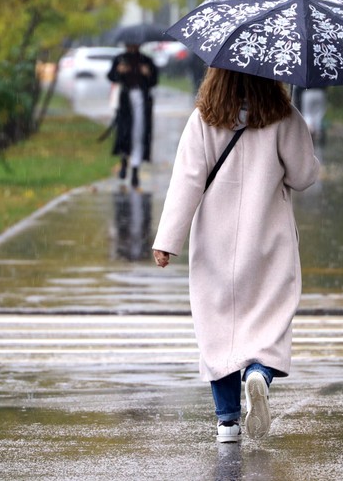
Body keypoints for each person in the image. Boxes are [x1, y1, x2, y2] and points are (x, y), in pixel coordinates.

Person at [152, 67, 319, 443]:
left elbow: (187, 180)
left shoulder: (204, 119)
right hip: (268, 240)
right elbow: (303, 176)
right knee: (268, 320)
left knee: (219, 330)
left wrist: (167, 241)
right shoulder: (283, 117)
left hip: (216, 242)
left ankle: (227, 421)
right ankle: (259, 373)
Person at [107, 42, 159, 189]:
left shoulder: (146, 60)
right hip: (125, 103)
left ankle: (135, 169)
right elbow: (112, 76)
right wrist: (119, 71)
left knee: (138, 134)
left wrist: (147, 73)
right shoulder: (120, 59)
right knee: (124, 134)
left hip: (142, 102)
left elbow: (154, 81)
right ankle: (124, 162)